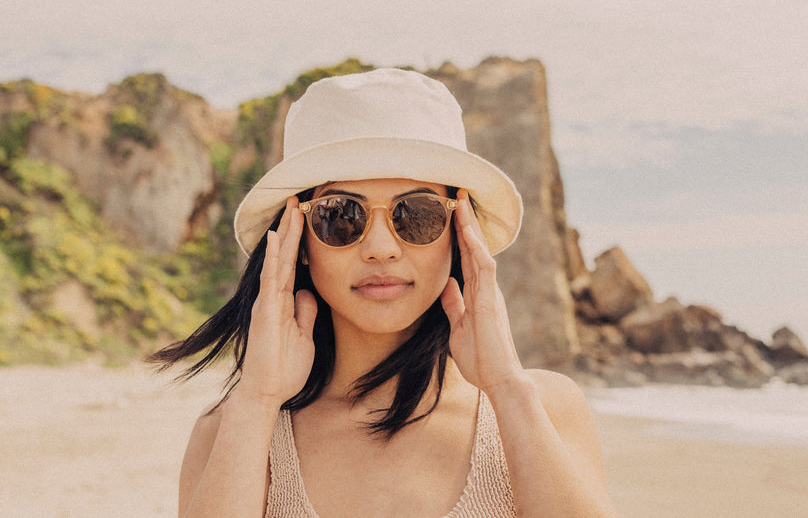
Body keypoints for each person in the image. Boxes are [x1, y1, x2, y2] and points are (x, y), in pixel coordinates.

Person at [152, 69, 615, 517]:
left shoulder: (543, 409)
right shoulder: (229, 431)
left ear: (458, 231)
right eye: (340, 215)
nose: (380, 249)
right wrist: (256, 402)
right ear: (301, 242)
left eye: (417, 214)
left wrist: (507, 389)